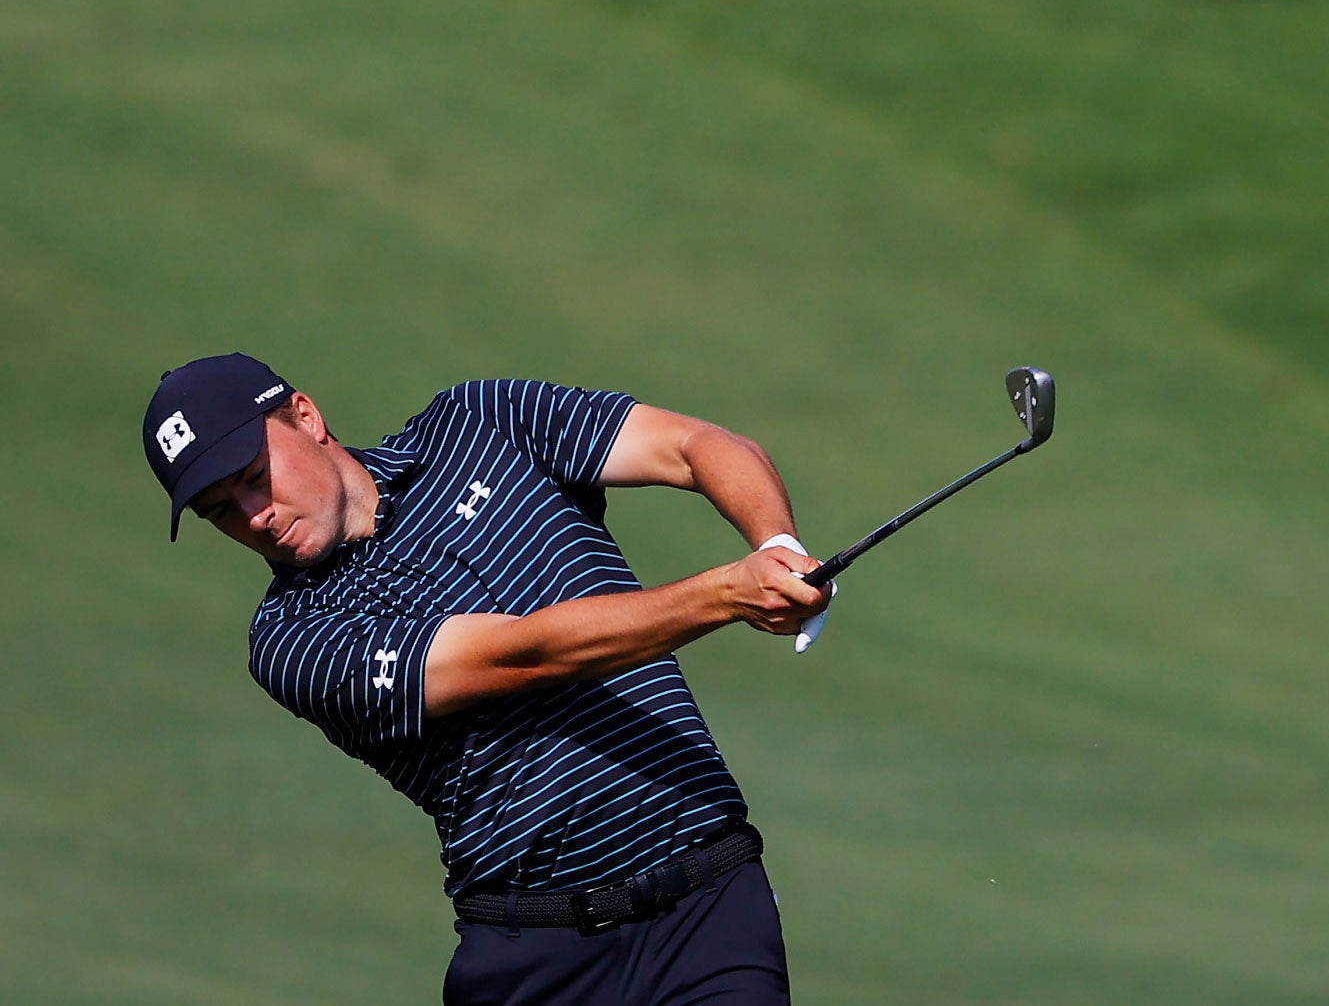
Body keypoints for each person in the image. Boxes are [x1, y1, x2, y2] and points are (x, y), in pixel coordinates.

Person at [142, 353, 833, 1004]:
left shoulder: (479, 421)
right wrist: (725, 595)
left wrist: (776, 545)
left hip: (708, 903)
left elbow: (694, 445)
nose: (254, 516)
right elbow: (521, 656)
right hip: (536, 957)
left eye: (253, 475)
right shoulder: (293, 642)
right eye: (220, 511)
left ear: (304, 417)